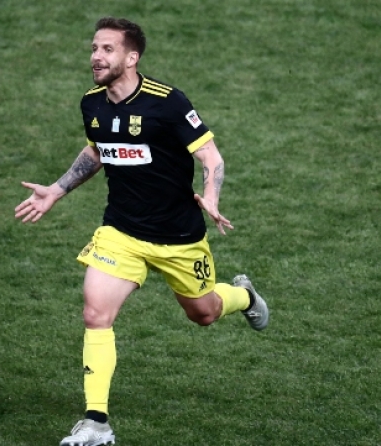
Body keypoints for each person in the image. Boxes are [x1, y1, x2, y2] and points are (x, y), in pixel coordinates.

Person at [14, 16, 269, 446]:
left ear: (131, 58)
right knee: (95, 313)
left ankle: (243, 295)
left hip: (179, 237)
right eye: (94, 48)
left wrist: (211, 197)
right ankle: (97, 424)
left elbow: (211, 156)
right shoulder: (91, 104)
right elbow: (98, 150)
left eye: (107, 49)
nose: (96, 57)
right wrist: (56, 190)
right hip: (122, 231)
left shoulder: (167, 102)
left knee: (203, 313)